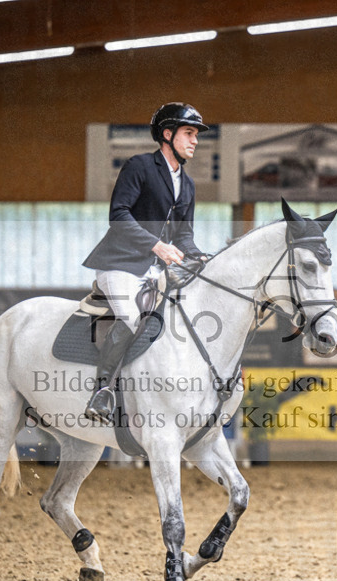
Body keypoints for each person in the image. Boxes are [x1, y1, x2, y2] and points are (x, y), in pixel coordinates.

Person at [81, 102, 209, 421]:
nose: (195, 140)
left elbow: (183, 237)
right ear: (168, 134)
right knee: (135, 319)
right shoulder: (139, 166)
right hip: (120, 264)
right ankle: (102, 391)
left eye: (196, 135)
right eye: (189, 133)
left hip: (155, 270)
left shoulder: (188, 185)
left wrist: (201, 257)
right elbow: (119, 215)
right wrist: (156, 245)